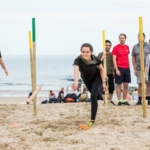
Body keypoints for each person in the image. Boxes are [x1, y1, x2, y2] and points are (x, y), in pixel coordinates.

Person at [72, 43, 107, 127]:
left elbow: (101, 70)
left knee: (93, 95)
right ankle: (100, 94)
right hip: (86, 79)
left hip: (96, 77)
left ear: (91, 52)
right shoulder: (78, 60)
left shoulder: (96, 59)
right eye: (83, 52)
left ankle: (92, 119)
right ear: (81, 52)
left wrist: (103, 83)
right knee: (96, 94)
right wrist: (76, 84)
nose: (85, 54)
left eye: (87, 52)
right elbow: (76, 73)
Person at [112, 33, 131, 105]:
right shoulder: (116, 47)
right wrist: (116, 69)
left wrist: (129, 67)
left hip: (126, 68)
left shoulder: (127, 47)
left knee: (126, 84)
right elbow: (114, 59)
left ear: (125, 39)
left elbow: (127, 57)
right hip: (119, 67)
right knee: (119, 84)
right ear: (119, 39)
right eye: (120, 38)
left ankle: (124, 100)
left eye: (123, 38)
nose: (122, 39)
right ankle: (119, 100)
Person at [132, 33, 150, 105]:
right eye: (139, 36)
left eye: (142, 36)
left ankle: (149, 99)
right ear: (137, 37)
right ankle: (139, 99)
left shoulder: (148, 46)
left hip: (148, 68)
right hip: (139, 68)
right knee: (140, 84)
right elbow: (133, 58)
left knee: (148, 84)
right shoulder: (135, 47)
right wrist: (134, 69)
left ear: (144, 37)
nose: (140, 38)